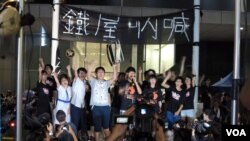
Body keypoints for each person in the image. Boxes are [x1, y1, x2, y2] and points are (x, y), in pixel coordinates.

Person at [86, 60, 117, 141]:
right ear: (96, 74)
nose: (100, 73)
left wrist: (114, 67)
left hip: (105, 108)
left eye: (102, 72)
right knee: (97, 128)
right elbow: (88, 74)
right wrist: (92, 65)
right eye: (99, 72)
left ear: (104, 74)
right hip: (96, 107)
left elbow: (114, 78)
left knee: (106, 128)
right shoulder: (93, 82)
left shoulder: (106, 83)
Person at [69, 65, 88, 136]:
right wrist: (75, 69)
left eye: (83, 73)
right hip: (75, 106)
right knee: (75, 124)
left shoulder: (85, 82)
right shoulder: (76, 80)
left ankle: (83, 137)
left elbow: (83, 96)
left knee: (83, 124)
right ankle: (73, 137)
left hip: (82, 107)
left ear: (85, 74)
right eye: (80, 73)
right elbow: (76, 75)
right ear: (77, 74)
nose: (82, 74)